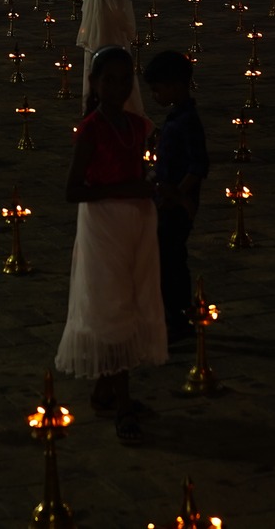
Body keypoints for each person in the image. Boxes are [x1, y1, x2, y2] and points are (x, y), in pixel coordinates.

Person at [53, 46, 165, 445]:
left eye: (123, 80)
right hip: (102, 225)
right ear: (94, 84)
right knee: (111, 304)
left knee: (130, 301)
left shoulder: (136, 126)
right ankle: (123, 404)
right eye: (109, 80)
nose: (116, 88)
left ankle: (106, 390)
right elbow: (73, 191)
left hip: (134, 222)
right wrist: (126, 189)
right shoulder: (91, 129)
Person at [144, 50, 206, 343]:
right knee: (165, 257)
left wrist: (180, 196)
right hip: (166, 200)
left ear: (176, 85)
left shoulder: (188, 121)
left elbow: (198, 165)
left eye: (158, 89)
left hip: (177, 205)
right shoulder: (175, 119)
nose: (155, 96)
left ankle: (179, 318)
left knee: (171, 260)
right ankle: (171, 315)